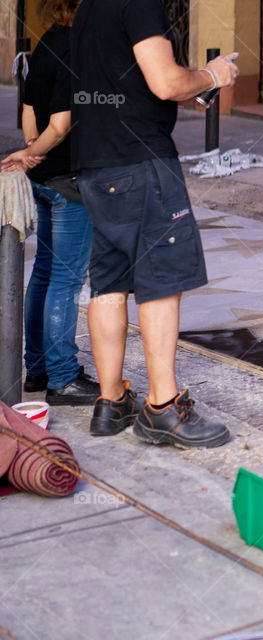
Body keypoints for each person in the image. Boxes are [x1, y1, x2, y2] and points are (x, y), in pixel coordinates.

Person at [70, 0, 239, 447]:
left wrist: (193, 88)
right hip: (140, 162)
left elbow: (131, 81)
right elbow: (164, 82)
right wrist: (213, 76)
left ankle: (111, 401)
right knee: (160, 277)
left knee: (109, 280)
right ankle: (163, 407)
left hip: (95, 163)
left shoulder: (90, 6)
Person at [1, 0, 100, 406]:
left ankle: (38, 368)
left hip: (43, 178)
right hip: (70, 180)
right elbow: (60, 126)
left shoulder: (46, 44)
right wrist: (37, 150)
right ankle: (62, 377)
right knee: (66, 279)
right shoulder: (81, 47)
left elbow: (29, 110)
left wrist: (30, 151)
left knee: (43, 273)